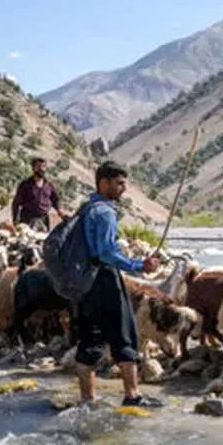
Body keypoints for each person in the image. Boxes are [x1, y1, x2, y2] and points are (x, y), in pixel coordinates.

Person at [74, 160, 154, 407]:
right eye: (119, 183)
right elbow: (107, 252)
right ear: (104, 182)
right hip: (105, 279)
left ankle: (88, 400)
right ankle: (132, 396)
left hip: (84, 281)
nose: (124, 188)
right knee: (124, 335)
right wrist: (139, 266)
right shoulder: (105, 212)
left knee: (89, 340)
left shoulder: (85, 208)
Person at [11, 157, 67, 231]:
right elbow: (16, 203)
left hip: (43, 220)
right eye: (38, 166)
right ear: (33, 168)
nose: (41, 169)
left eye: (43, 166)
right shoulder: (25, 184)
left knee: (42, 237)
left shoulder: (49, 185)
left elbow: (55, 199)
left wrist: (60, 211)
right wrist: (15, 220)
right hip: (27, 218)